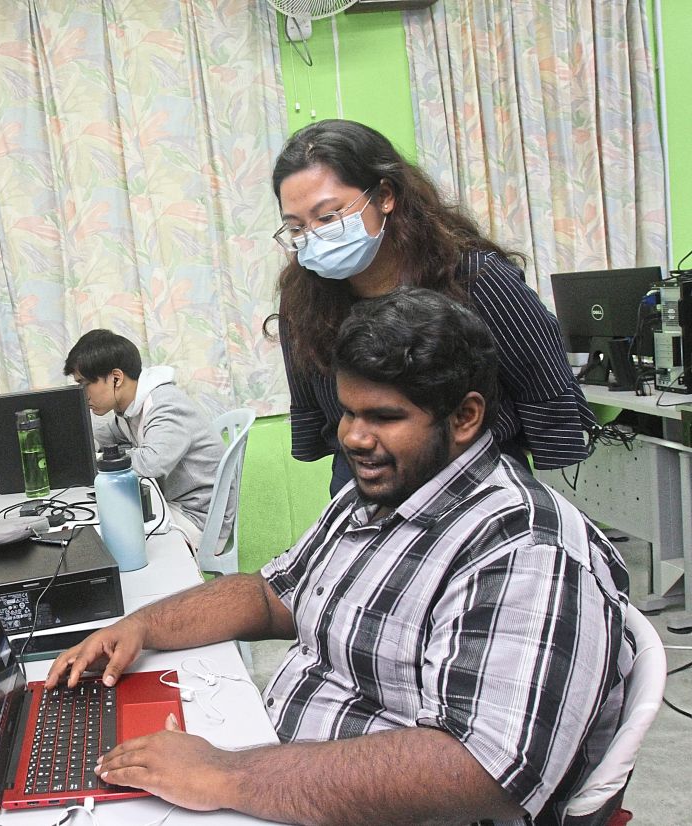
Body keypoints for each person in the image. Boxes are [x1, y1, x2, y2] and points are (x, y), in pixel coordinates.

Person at [47, 289, 632, 825]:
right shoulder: (379, 493)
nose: (352, 437)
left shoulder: (525, 550)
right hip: (282, 773)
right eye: (350, 412)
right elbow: (270, 593)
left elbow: (482, 771)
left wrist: (224, 774)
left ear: (465, 417)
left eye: (383, 417)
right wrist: (141, 626)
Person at [266, 119, 596, 494]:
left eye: (328, 217)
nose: (313, 236)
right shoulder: (303, 299)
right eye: (296, 227)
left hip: (474, 474)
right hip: (367, 476)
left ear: (385, 195)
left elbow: (541, 375)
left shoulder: (474, 276)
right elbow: (314, 401)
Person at [64, 329, 233, 551]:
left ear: (116, 378)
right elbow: (104, 437)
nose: (82, 393)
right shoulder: (129, 408)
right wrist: (77, 447)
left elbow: (151, 464)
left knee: (98, 536)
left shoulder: (165, 405)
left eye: (85, 384)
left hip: (198, 519)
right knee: (97, 521)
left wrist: (94, 460)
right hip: (172, 505)